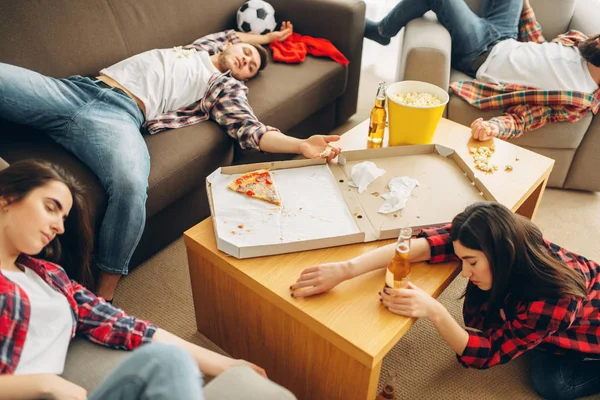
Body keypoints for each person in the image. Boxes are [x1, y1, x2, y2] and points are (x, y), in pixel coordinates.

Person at [0, 21, 342, 302]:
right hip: (78, 90)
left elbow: (250, 130)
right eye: (247, 53)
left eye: (251, 68)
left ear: (245, 79)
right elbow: (236, 37)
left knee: (132, 184)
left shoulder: (221, 87)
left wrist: (300, 145)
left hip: (120, 116)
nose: (247, 61)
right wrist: (267, 38)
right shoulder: (202, 46)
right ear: (232, 44)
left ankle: (104, 295)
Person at [0, 159, 296, 400]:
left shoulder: (50, 276)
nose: (59, 227)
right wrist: (45, 385)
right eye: (51, 207)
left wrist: (229, 365)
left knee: (168, 360)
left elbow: (123, 325)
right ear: (7, 200)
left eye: (63, 218)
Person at [291, 201, 600, 400]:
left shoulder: (554, 303)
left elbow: (487, 354)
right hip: (556, 313)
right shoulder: (507, 236)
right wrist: (346, 269)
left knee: (551, 384)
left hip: (586, 335)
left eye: (471, 263)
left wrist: (435, 311)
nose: (464, 273)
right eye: (462, 260)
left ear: (500, 254)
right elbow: (420, 247)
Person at [364, 0, 600, 142]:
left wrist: (494, 127)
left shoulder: (576, 98)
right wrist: (524, 10)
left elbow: (525, 118)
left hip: (480, 53)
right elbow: (540, 48)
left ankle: (383, 32)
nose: (596, 38)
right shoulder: (580, 44)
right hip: (506, 36)